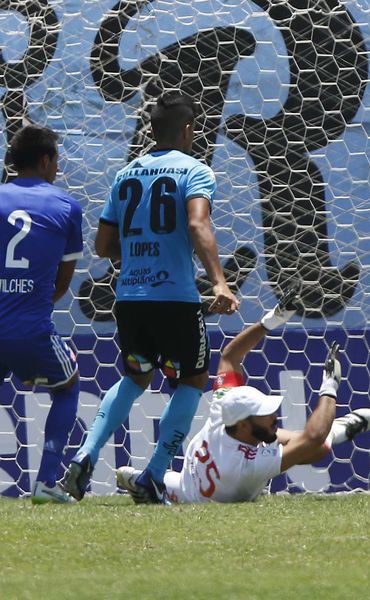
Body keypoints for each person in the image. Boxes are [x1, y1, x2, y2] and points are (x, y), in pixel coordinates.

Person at [63, 91, 239, 503]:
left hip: (130, 299)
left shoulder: (126, 175)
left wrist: (143, 252)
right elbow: (198, 224)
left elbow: (104, 245)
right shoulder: (195, 171)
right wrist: (219, 281)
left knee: (137, 375)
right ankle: (154, 474)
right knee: (193, 379)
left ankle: (85, 454)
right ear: (189, 130)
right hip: (174, 300)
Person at [115, 298, 370, 504]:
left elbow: (230, 356)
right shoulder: (246, 466)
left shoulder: (223, 408)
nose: (273, 415)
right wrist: (330, 386)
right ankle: (341, 430)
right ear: (243, 425)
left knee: (134, 476)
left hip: (186, 481)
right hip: (194, 497)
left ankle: (141, 482)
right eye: (265, 413)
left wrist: (271, 321)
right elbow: (311, 438)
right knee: (316, 447)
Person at [0, 125, 84, 504]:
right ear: (46, 160)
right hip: (33, 328)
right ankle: (47, 482)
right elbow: (62, 283)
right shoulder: (66, 207)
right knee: (67, 386)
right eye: (56, 161)